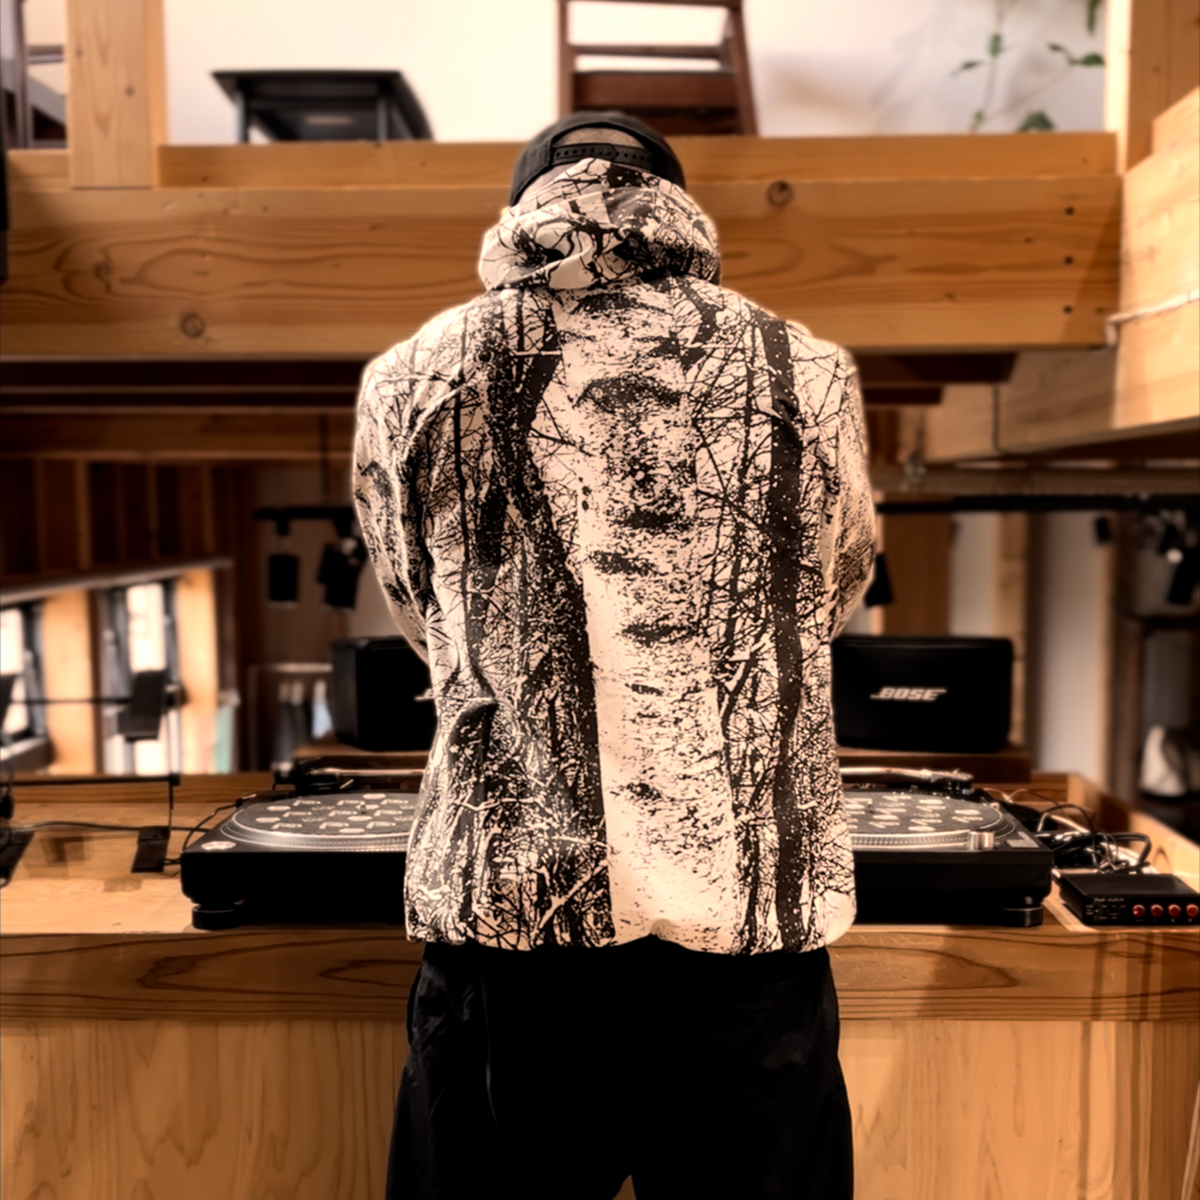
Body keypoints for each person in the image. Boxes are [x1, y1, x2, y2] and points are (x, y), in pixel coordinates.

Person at [353, 110, 875, 1200]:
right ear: (681, 203)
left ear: (519, 207)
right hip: (746, 924)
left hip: (514, 929)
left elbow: (422, 612)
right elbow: (832, 593)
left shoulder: (411, 376)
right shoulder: (808, 370)